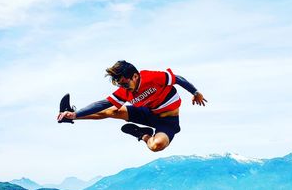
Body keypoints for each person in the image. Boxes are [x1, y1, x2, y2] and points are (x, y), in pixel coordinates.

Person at [57, 60, 207, 152]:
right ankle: (69, 115)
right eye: (120, 84)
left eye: (125, 83)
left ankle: (142, 134)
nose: (124, 87)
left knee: (157, 146)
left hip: (168, 121)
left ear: (135, 76)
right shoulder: (125, 91)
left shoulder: (152, 77)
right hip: (147, 113)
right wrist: (77, 114)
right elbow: (103, 104)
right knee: (111, 111)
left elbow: (177, 79)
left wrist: (195, 92)